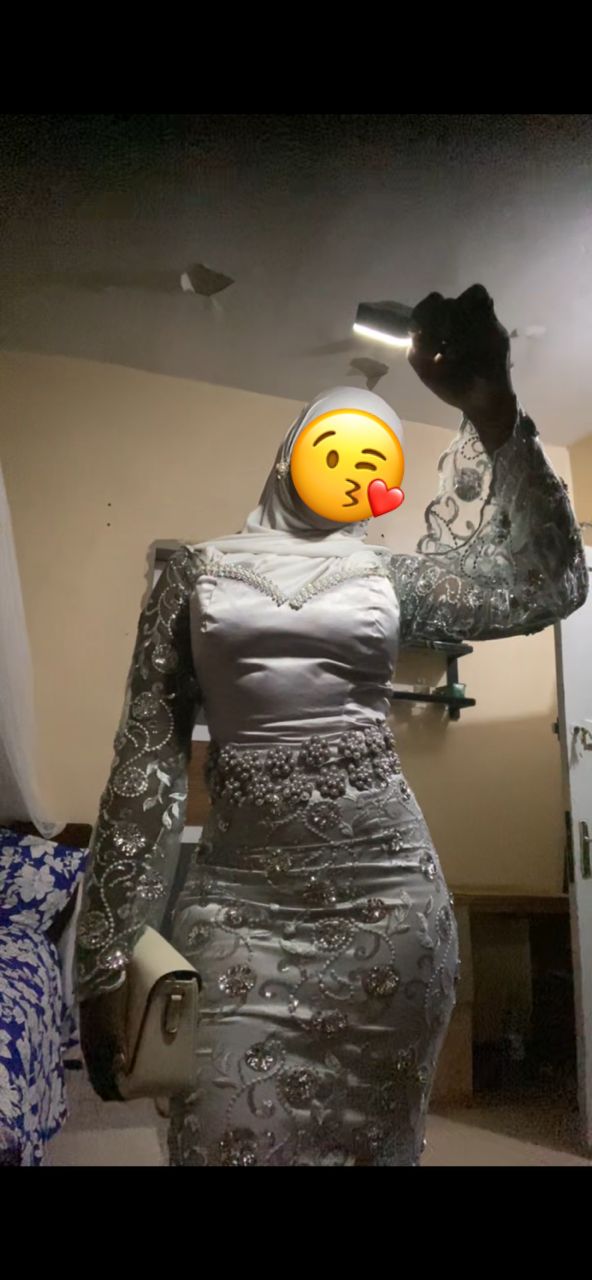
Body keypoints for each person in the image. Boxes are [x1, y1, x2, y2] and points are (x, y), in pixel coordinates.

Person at [76, 285, 588, 1166]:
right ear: (289, 455)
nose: (354, 468)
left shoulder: (389, 576)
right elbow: (146, 767)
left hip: (388, 907)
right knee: (223, 1138)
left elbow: (550, 583)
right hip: (238, 909)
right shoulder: (193, 571)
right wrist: (105, 957)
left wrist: (493, 406)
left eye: (372, 457)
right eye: (335, 447)